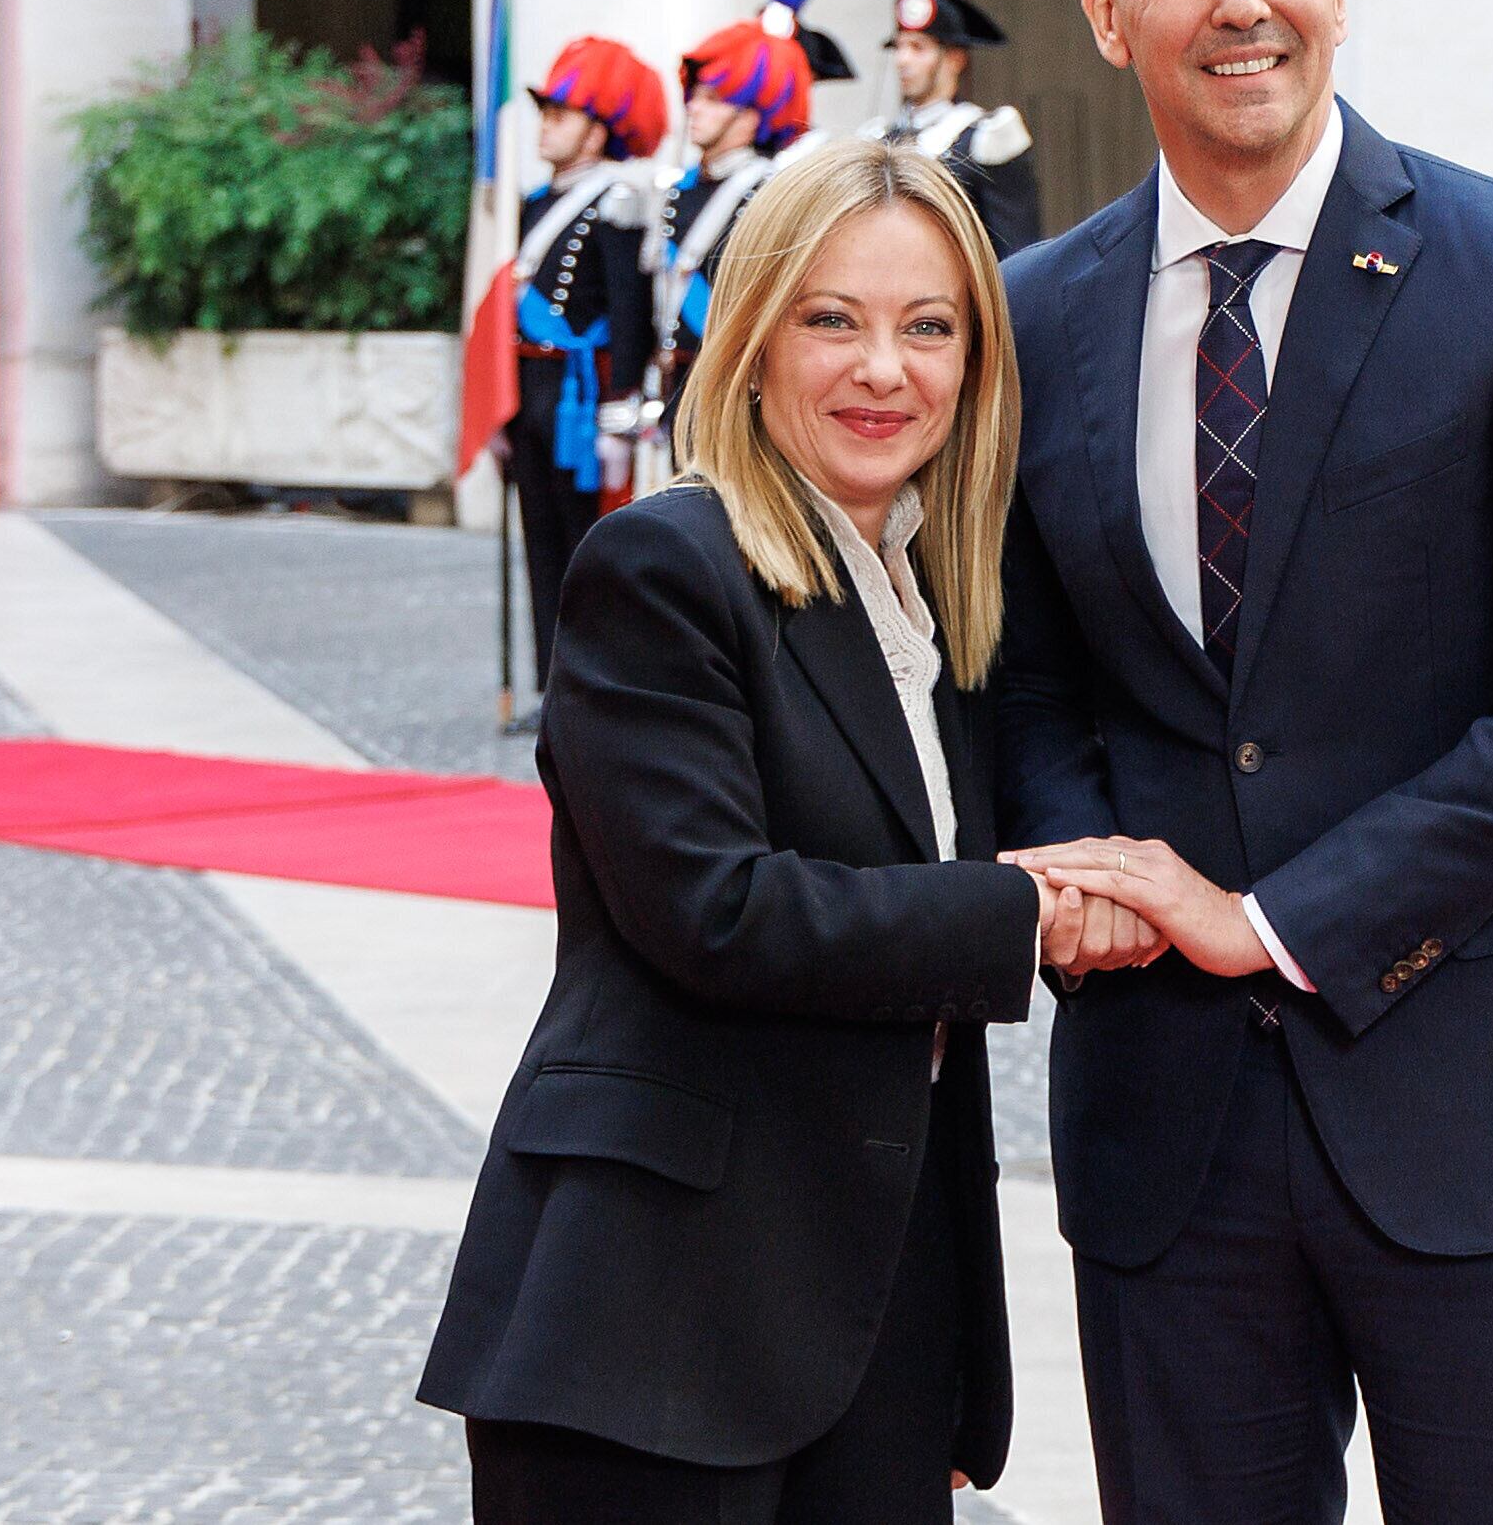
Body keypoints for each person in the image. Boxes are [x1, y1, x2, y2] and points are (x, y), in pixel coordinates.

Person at [990, 0, 1493, 1525]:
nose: (1240, 1)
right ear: (1107, 11)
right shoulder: (1035, 313)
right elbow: (1022, 672)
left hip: (1485, 1098)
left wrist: (1270, 921)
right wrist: (1092, 880)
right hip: (1163, 1117)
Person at [421, 138, 1159, 1520]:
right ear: (753, 339)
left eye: (927, 328)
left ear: (976, 368)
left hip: (867, 1339)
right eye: (833, 318)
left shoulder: (940, 612)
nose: (884, 369)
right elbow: (722, 913)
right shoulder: (665, 566)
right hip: (650, 1328)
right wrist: (1026, 911)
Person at [504, 35, 663, 710]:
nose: (547, 123)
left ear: (600, 128)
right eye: (545, 111)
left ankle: (595, 688)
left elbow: (630, 313)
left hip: (584, 395)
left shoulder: (617, 201)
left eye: (561, 113)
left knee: (587, 545)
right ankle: (549, 682)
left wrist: (621, 409)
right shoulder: (534, 202)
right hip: (533, 388)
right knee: (539, 538)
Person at [649, 0, 833, 444]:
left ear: (757, 112)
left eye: (715, 97)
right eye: (696, 94)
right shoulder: (679, 189)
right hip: (675, 382)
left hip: (735, 392)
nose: (694, 107)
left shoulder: (769, 194)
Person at [868, 0, 1044, 256]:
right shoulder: (877, 138)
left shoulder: (988, 138)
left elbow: (1016, 256)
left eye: (918, 48)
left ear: (954, 58)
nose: (903, 60)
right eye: (899, 47)